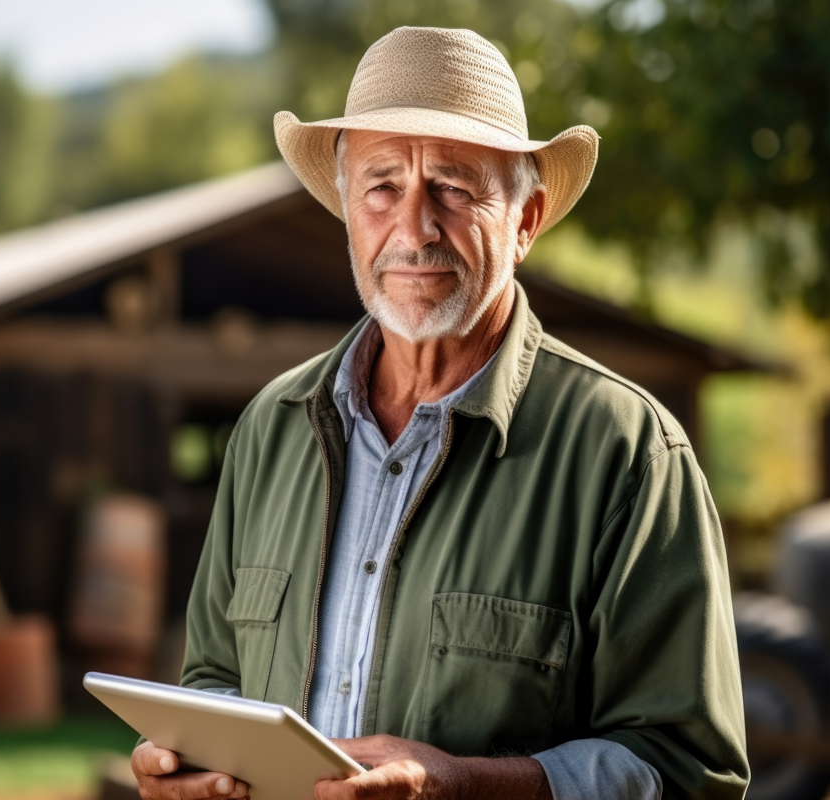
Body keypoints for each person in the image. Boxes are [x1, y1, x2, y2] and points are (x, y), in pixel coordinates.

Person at [132, 26, 749, 800]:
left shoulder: (627, 451)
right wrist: (192, 764)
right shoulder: (271, 427)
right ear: (347, 212)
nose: (414, 228)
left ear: (525, 221)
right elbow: (218, 677)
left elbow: (691, 774)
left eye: (454, 188)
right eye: (383, 186)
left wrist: (466, 786)